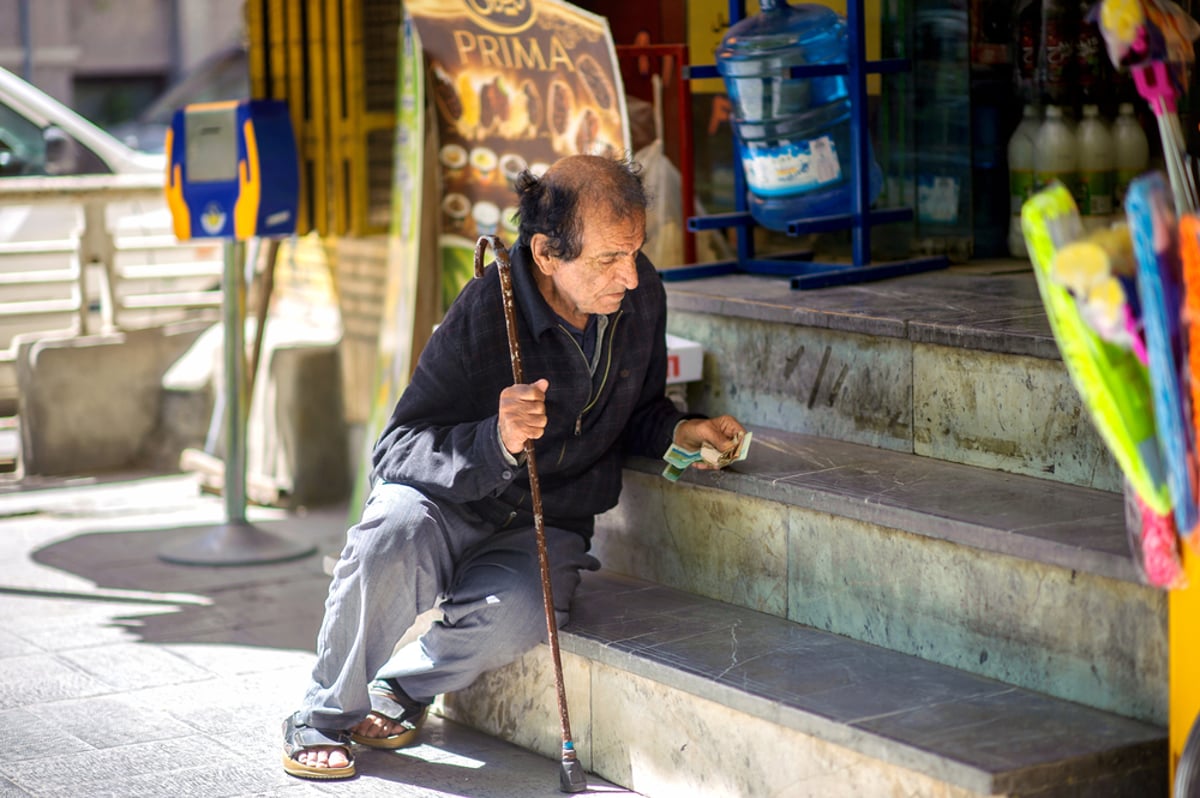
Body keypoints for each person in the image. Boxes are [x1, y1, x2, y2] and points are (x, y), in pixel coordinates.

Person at [281, 153, 746, 780]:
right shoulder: (486, 308)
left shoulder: (642, 297)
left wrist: (681, 430)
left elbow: (636, 412)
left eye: (634, 252)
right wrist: (495, 438)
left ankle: (404, 688)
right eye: (609, 259)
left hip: (547, 515)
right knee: (388, 535)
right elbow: (397, 449)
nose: (630, 277)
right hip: (444, 504)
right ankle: (321, 713)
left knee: (522, 612)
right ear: (548, 254)